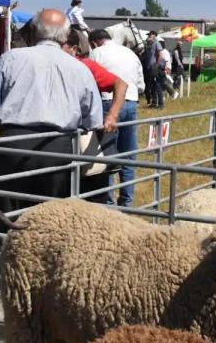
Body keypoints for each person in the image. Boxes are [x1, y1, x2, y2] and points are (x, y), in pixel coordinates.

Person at [0, 8, 102, 213]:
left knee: (6, 212)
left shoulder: (11, 58)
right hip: (58, 146)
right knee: (50, 217)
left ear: (34, 30)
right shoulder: (79, 68)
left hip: (12, 144)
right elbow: (93, 118)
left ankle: (2, 243)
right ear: (66, 36)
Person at [63, 30, 127, 204]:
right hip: (59, 142)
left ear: (73, 49)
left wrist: (112, 115)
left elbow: (120, 84)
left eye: (59, 46)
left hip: (84, 138)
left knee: (91, 190)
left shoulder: (85, 65)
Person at [89, 28, 144, 208]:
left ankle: (109, 202)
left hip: (109, 103)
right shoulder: (129, 53)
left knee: (108, 153)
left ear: (94, 42)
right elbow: (141, 84)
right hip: (131, 102)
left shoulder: (96, 53)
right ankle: (127, 201)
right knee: (128, 154)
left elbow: (89, 80)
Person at [141, 31, 163, 108]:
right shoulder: (149, 44)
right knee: (152, 86)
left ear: (154, 36)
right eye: (148, 35)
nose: (148, 37)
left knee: (157, 86)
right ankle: (154, 102)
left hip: (154, 67)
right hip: (149, 68)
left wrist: (157, 65)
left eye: (150, 35)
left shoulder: (157, 43)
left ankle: (160, 104)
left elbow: (160, 54)